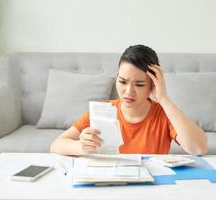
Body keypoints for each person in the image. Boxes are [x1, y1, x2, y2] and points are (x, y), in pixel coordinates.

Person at [50, 44, 208, 156]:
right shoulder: (101, 110)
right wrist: (80, 147)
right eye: (122, 81)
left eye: (139, 84)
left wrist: (163, 98)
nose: (128, 92)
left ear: (153, 84)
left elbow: (199, 148)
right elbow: (56, 145)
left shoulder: (164, 115)